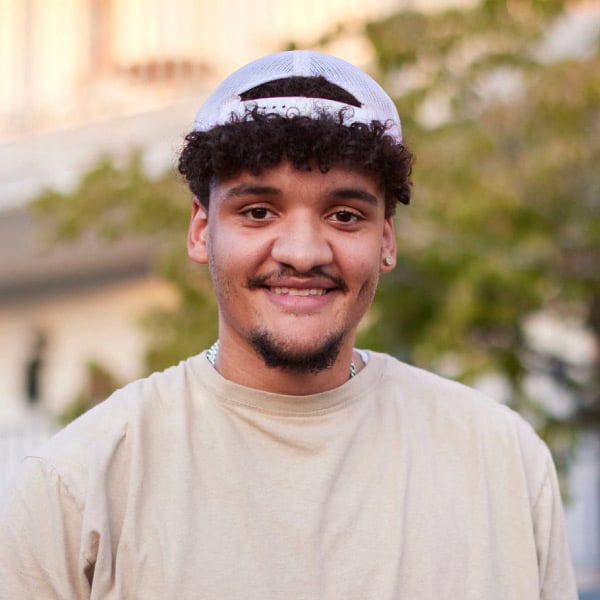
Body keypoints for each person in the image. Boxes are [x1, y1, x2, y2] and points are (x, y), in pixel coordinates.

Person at [0, 50, 577, 599]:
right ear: (202, 231)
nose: (302, 251)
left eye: (344, 215)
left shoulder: (502, 462)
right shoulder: (81, 484)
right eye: (258, 211)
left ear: (386, 240)